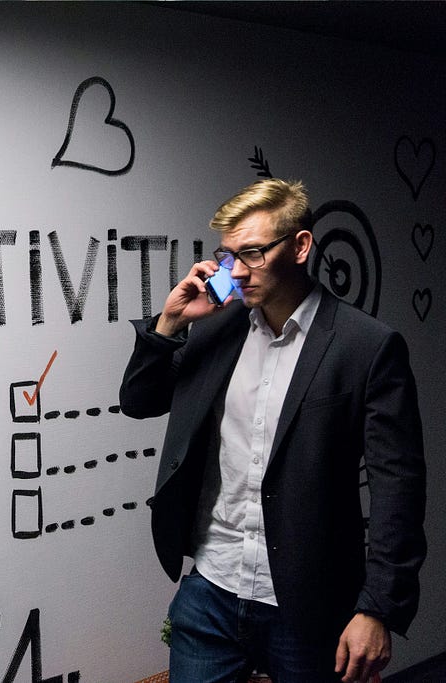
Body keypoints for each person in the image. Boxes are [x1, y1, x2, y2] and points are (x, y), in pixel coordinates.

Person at [119, 179, 426, 683]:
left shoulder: (366, 346)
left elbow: (400, 488)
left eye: (254, 253)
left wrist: (378, 608)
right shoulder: (217, 326)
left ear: (301, 246)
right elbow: (139, 401)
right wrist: (170, 323)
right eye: (229, 254)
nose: (237, 271)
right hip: (211, 591)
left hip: (309, 602)